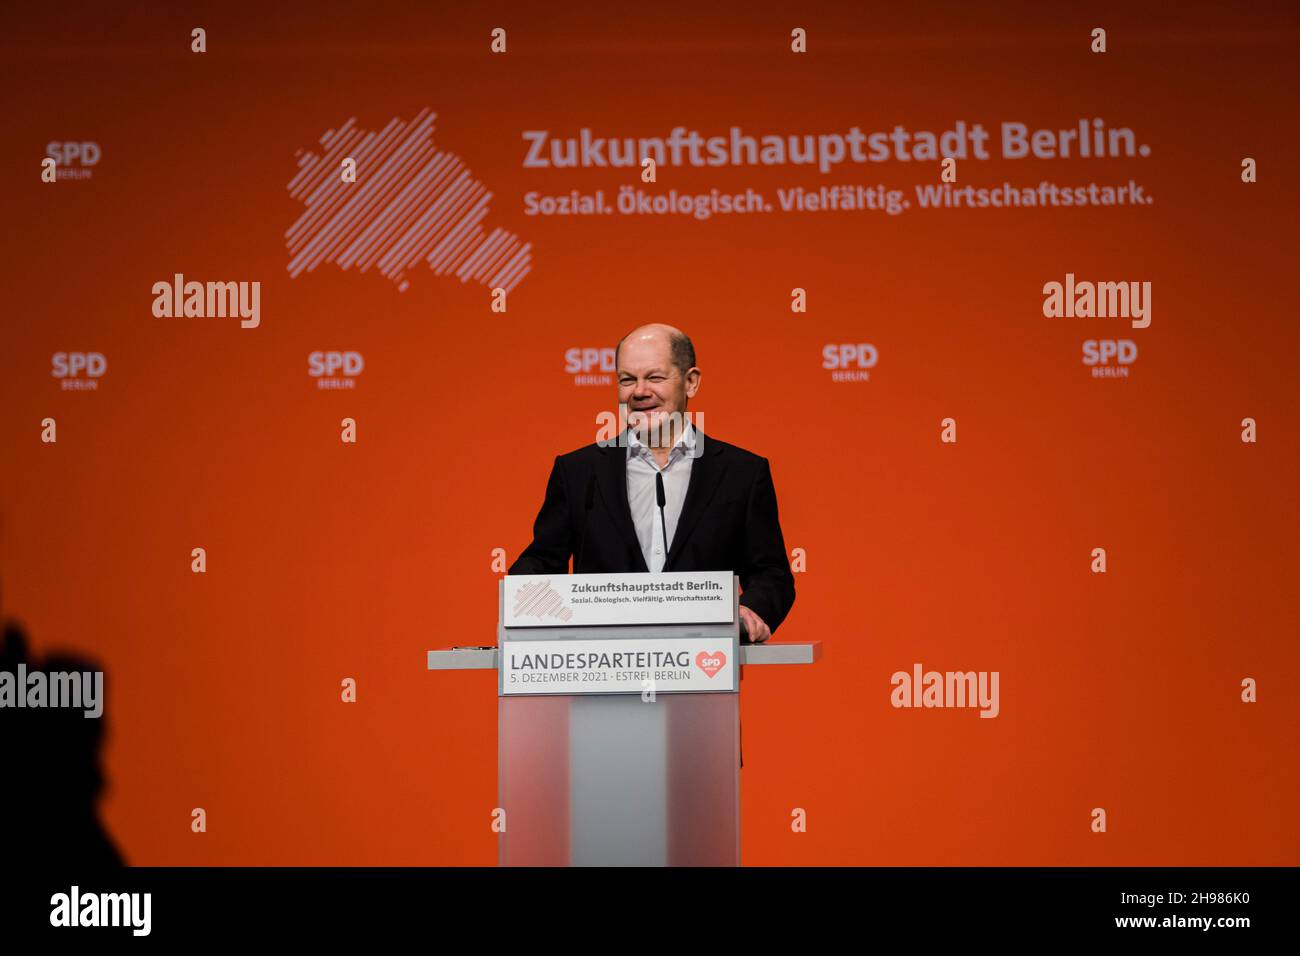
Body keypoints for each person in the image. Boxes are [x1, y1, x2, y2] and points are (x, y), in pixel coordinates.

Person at [509, 322, 795, 643]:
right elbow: (543, 561)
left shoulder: (742, 472)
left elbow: (772, 574)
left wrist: (751, 609)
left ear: (691, 382)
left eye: (655, 377)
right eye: (627, 380)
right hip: (599, 667)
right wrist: (525, 598)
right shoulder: (578, 471)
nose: (640, 391)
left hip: (703, 668)